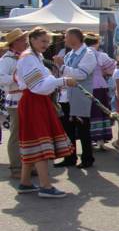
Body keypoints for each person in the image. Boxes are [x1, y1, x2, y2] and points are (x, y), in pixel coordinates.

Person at [16, 27, 77, 197]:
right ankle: (45, 186)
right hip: (33, 101)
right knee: (40, 142)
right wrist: (62, 81)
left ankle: (25, 182)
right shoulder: (28, 58)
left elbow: (44, 82)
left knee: (34, 140)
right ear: (32, 39)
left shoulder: (36, 57)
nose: (45, 45)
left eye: (47, 42)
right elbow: (38, 87)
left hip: (37, 101)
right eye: (42, 41)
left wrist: (58, 81)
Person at [54, 27, 97, 169]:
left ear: (74, 38)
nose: (64, 39)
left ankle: (87, 158)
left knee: (83, 129)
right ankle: (70, 157)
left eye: (66, 36)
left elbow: (81, 74)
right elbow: (63, 74)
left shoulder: (88, 53)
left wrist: (62, 67)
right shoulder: (70, 54)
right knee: (68, 130)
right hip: (66, 97)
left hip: (80, 97)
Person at [0, 29, 28, 178]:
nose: (26, 42)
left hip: (28, 99)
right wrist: (17, 78)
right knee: (16, 134)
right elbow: (1, 78)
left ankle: (27, 166)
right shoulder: (7, 59)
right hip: (15, 99)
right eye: (23, 39)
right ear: (15, 42)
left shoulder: (25, 57)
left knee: (28, 134)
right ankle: (16, 168)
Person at [84, 35, 116, 151]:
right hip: (100, 86)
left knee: (89, 113)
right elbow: (112, 68)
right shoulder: (100, 55)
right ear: (96, 43)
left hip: (86, 86)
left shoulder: (82, 54)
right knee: (101, 112)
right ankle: (101, 140)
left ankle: (89, 139)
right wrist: (103, 71)